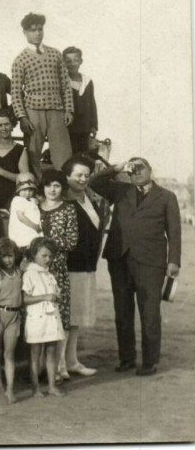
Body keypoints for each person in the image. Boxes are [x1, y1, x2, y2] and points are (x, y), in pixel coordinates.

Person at [89, 157, 181, 376]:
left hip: (151, 262)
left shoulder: (167, 197)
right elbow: (93, 183)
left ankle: (150, 361)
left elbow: (174, 232)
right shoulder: (120, 190)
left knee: (149, 312)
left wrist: (174, 261)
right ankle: (127, 358)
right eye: (133, 169)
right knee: (122, 311)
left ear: (151, 169)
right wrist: (116, 168)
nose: (136, 172)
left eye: (141, 168)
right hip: (119, 259)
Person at [10, 13, 74, 174]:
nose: (37, 33)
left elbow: (65, 84)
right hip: (33, 111)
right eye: (32, 30)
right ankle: (35, 189)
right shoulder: (20, 60)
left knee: (63, 154)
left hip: (56, 110)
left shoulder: (55, 54)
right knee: (32, 153)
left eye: (40, 29)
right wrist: (22, 117)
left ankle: (65, 187)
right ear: (25, 33)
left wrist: (68, 110)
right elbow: (16, 92)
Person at [63, 156, 108, 377]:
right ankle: (59, 365)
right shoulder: (63, 202)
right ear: (67, 176)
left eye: (86, 176)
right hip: (70, 267)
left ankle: (71, 361)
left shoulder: (88, 199)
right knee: (66, 318)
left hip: (86, 267)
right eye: (78, 175)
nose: (82, 179)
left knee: (76, 318)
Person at [38, 168, 79, 379]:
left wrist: (46, 244)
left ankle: (60, 365)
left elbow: (72, 241)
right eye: (48, 185)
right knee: (38, 316)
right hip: (35, 272)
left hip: (58, 270)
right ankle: (40, 367)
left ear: (62, 188)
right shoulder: (34, 206)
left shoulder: (68, 209)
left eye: (56, 185)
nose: (52, 190)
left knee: (60, 316)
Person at [22, 237, 66, 398]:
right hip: (36, 319)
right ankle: (35, 388)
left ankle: (52, 386)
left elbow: (56, 295)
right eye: (44, 255)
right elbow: (25, 299)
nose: (48, 259)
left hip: (51, 318)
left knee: (52, 352)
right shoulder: (29, 274)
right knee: (35, 354)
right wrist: (45, 297)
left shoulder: (50, 275)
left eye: (50, 256)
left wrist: (56, 297)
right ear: (34, 255)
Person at [0, 237, 23, 405]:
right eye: (4, 256)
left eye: (10, 256)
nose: (8, 260)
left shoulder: (19, 272)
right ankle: (0, 385)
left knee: (9, 353)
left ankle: (10, 389)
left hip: (14, 316)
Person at [0, 108, 30, 210]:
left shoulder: (20, 150)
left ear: (12, 126)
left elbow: (25, 180)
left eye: (7, 124)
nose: (4, 128)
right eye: (0, 125)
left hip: (13, 197)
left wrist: (0, 171)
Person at [63, 47, 99, 156]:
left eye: (75, 60)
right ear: (63, 63)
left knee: (83, 154)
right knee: (68, 154)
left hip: (85, 126)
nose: (72, 64)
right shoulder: (62, 81)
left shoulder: (87, 81)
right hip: (69, 126)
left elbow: (92, 103)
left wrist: (93, 125)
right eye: (68, 61)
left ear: (80, 61)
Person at [8, 172, 43, 249]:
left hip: (32, 233)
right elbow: (21, 217)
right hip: (25, 232)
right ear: (18, 190)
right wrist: (35, 227)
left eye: (30, 190)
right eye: (24, 190)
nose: (27, 193)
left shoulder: (30, 200)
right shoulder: (18, 200)